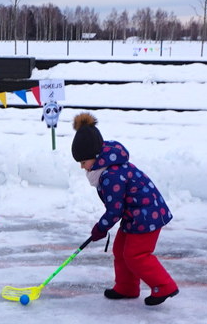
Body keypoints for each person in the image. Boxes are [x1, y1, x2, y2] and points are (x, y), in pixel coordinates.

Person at [71, 113, 179, 306]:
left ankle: (164, 286)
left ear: (96, 158)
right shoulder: (108, 167)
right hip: (135, 216)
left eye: (83, 162)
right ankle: (127, 287)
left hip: (147, 216)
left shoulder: (111, 175)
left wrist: (101, 228)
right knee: (120, 250)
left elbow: (115, 209)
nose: (82, 167)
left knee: (135, 254)